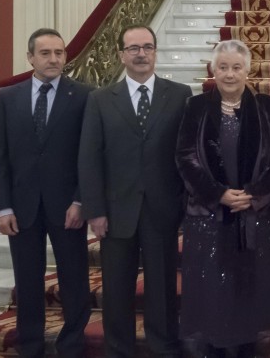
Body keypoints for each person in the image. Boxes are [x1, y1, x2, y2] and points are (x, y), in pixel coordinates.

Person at [78, 25, 192, 358]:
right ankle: (119, 350)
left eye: (147, 47)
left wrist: (184, 204)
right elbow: (89, 158)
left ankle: (164, 347)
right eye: (133, 49)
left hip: (163, 209)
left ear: (155, 51)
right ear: (121, 55)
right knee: (116, 289)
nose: (141, 54)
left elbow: (187, 153)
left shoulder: (180, 94)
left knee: (162, 287)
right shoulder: (100, 100)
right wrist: (95, 210)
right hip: (115, 212)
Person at [176, 39, 270, 358]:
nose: (229, 74)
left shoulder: (267, 107)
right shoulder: (196, 107)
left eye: (236, 67)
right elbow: (186, 157)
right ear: (213, 70)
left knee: (251, 289)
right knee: (213, 290)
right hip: (209, 215)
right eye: (223, 67)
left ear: (247, 70)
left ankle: (246, 348)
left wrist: (253, 194)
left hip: (255, 214)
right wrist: (219, 195)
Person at [0, 28, 92, 358]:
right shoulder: (8, 97)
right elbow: (0, 156)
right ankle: (30, 345)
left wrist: (81, 200)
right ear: (30, 57)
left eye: (59, 53)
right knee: (27, 281)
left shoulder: (84, 96)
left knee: (74, 279)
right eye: (45, 53)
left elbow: (89, 156)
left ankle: (71, 344)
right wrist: (2, 207)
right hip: (22, 207)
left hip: (68, 207)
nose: (53, 59)